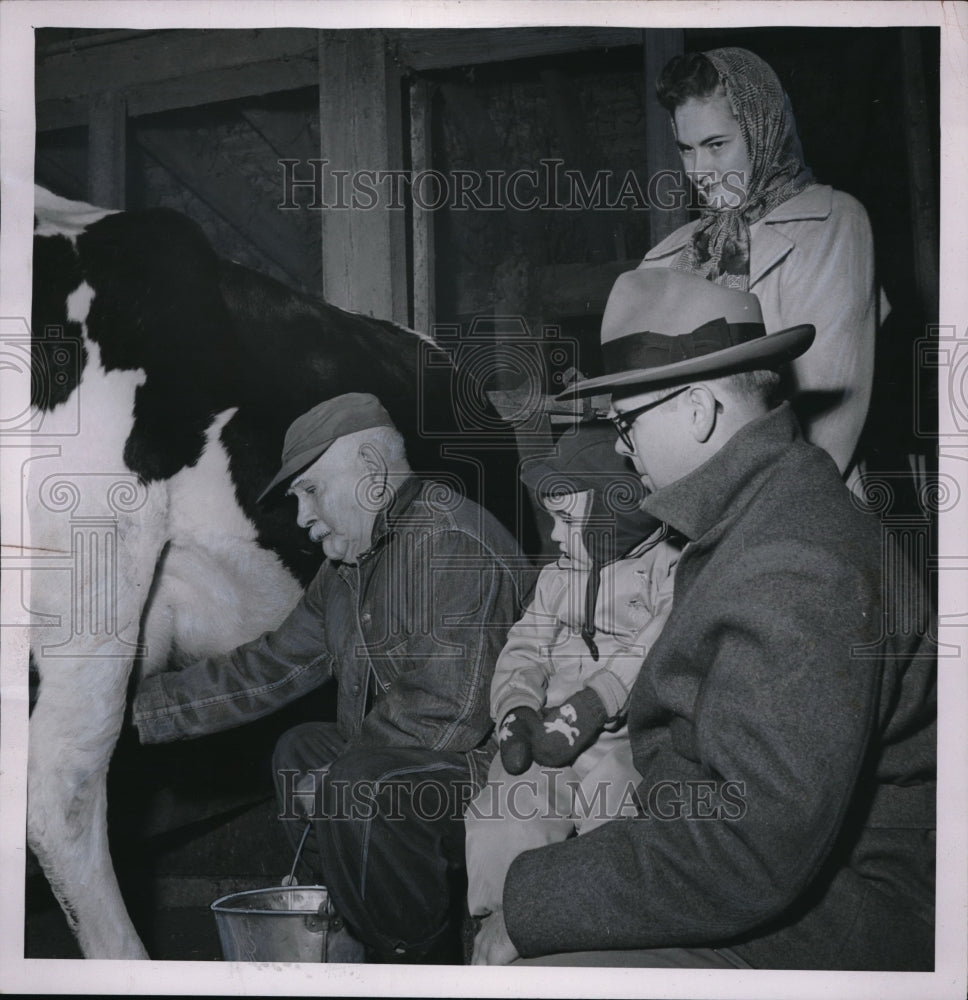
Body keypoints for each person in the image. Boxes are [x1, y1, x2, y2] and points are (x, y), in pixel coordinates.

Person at [473, 268, 936, 970]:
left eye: (625, 423)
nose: (622, 449)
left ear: (697, 411)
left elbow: (751, 846)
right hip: (764, 865)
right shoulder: (761, 510)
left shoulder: (794, 561)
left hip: (853, 910)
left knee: (544, 973)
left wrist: (531, 906)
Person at [132, 392, 533, 962]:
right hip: (403, 767)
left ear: (372, 472)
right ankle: (343, 917)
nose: (301, 518)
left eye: (311, 490)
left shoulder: (452, 544)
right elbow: (268, 666)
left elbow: (449, 713)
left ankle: (412, 958)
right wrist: (134, 711)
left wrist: (337, 781)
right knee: (302, 749)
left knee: (351, 784)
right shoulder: (348, 568)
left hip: (493, 777)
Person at [464, 424, 678, 930]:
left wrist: (599, 699)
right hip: (549, 728)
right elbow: (525, 646)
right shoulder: (558, 576)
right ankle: (501, 925)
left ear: (615, 516)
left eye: (566, 520)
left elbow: (659, 643)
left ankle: (603, 935)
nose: (555, 535)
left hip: (627, 734)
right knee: (508, 806)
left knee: (619, 806)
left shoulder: (669, 568)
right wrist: (515, 707)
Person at [640, 46, 884, 480]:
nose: (701, 170)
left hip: (801, 516)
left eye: (716, 145)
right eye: (687, 149)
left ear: (761, 130)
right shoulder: (668, 257)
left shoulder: (831, 222)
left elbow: (825, 436)